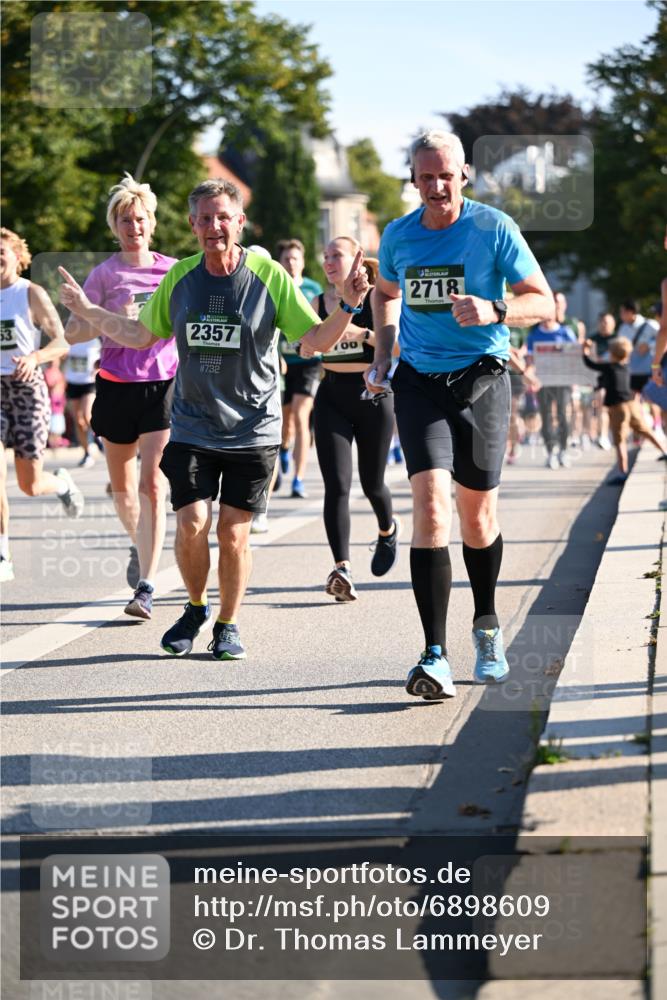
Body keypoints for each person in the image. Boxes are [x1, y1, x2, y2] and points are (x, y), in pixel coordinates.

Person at [59, 178, 369, 661]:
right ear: (192, 226)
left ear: (239, 222)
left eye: (223, 217)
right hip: (192, 423)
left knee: (232, 531)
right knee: (191, 522)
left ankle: (227, 623)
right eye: (205, 218)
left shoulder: (267, 275)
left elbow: (314, 340)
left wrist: (348, 305)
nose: (214, 227)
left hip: (253, 426)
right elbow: (139, 335)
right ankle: (196, 606)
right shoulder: (181, 277)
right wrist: (90, 311)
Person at [364, 129, 554, 699]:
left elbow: (541, 300)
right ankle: (433, 654)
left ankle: (488, 625)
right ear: (414, 180)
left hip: (483, 381)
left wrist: (495, 306)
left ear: (463, 174)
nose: (437, 186)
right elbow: (385, 293)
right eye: (427, 177)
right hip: (419, 381)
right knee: (429, 508)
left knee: (476, 519)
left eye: (447, 175)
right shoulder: (399, 235)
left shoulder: (493, 228)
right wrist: (382, 352)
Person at [64, 174, 178, 621]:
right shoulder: (104, 274)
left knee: (153, 483)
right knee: (123, 490)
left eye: (141, 219)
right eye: (126, 220)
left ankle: (146, 585)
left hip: (161, 385)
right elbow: (76, 332)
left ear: (152, 223)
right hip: (114, 385)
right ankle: (140, 543)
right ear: (116, 227)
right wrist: (103, 314)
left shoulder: (171, 270)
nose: (134, 227)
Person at [310, 241, 398, 602]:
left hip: (373, 396)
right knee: (337, 486)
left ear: (357, 259)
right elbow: (306, 344)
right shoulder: (317, 303)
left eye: (337, 256)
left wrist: (362, 334)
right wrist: (307, 345)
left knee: (373, 484)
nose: (329, 262)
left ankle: (387, 529)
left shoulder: (378, 297)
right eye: (326, 257)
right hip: (331, 397)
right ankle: (341, 568)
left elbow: (396, 349)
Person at [0, 227, 84, 583]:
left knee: (29, 485)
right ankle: (3, 552)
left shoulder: (30, 293)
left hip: (27, 390)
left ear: (18, 256)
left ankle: (62, 484)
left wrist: (36, 357)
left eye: (2, 251)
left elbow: (62, 341)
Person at [582, 336, 667, 484]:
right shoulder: (627, 367)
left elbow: (591, 364)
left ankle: (622, 472)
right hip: (631, 403)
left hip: (618, 407)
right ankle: (664, 450)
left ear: (612, 353)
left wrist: (585, 351)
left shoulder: (609, 367)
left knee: (619, 440)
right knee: (646, 431)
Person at [276, 238, 323, 498]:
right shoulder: (276, 288)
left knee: (300, 415)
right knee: (286, 421)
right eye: (286, 259)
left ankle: (298, 478)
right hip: (281, 364)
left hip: (308, 363)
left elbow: (323, 327)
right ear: (280, 263)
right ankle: (284, 448)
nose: (291, 263)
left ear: (303, 262)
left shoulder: (313, 290)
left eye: (295, 258)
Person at [524, 298, 579, 469]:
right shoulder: (534, 335)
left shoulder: (566, 332)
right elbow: (530, 360)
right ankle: (550, 452)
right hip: (542, 381)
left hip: (562, 381)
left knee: (563, 415)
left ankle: (563, 450)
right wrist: (530, 378)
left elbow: (574, 358)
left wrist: (574, 379)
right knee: (546, 416)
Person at [64, 336, 101, 467]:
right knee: (79, 421)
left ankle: (98, 436)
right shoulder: (69, 338)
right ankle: (87, 453)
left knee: (87, 415)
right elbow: (61, 354)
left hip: (89, 382)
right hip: (73, 382)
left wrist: (99, 367)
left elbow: (104, 356)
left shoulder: (95, 339)